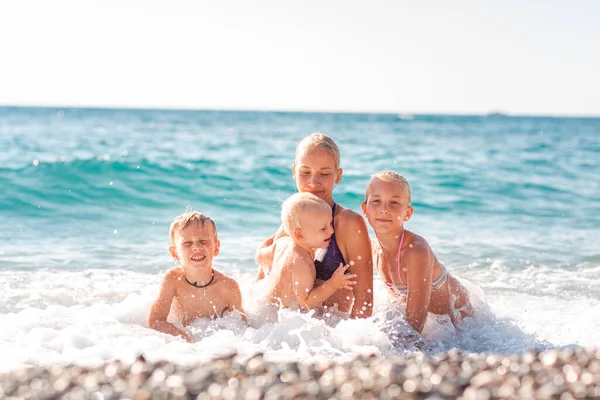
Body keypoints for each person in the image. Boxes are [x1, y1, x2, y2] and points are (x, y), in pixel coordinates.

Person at [255, 133, 373, 318]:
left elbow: (364, 302)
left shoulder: (348, 223)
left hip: (328, 338)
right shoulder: (294, 220)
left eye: (324, 173)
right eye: (305, 172)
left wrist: (352, 345)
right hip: (282, 337)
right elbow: (262, 281)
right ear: (294, 172)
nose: (313, 182)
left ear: (338, 176)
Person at [362, 171, 473, 335]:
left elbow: (416, 320)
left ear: (407, 213)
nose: (384, 209)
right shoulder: (373, 248)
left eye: (394, 202)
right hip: (439, 325)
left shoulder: (416, 251)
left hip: (465, 325)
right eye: (376, 201)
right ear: (365, 209)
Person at [147, 211, 245, 342]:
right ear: (174, 252)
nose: (197, 247)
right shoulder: (173, 280)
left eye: (203, 241)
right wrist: (185, 338)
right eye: (187, 243)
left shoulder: (228, 287)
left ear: (216, 247)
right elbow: (155, 321)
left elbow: (243, 327)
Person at [256, 192, 357, 311]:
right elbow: (305, 302)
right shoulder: (302, 264)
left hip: (265, 310)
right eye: (323, 228)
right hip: (281, 323)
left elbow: (259, 258)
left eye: (330, 223)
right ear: (299, 235)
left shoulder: (281, 243)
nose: (331, 231)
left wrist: (265, 243)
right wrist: (332, 284)